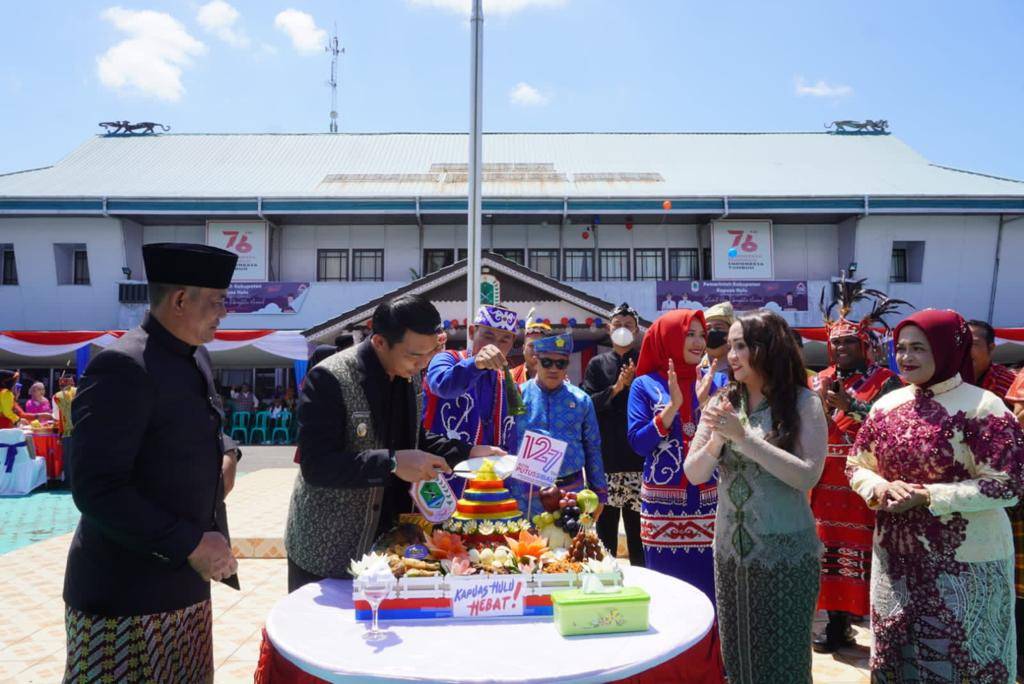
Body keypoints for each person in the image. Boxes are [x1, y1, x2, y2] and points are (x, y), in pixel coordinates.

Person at [63, 243, 241, 683]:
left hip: (186, 585)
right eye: (217, 301)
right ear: (181, 299)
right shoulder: (123, 368)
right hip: (126, 596)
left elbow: (206, 425)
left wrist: (229, 452)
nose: (224, 313)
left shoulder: (197, 356)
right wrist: (192, 544)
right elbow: (96, 488)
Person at [284, 295, 505, 593]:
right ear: (379, 343)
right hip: (329, 545)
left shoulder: (409, 374)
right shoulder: (329, 378)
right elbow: (317, 465)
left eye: (430, 354)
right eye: (415, 356)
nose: (423, 364)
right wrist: (392, 462)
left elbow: (416, 439)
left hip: (388, 543)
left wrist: (468, 451)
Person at [848, 309, 1023, 681]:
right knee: (898, 660)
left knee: (963, 664)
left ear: (946, 350)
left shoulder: (984, 407)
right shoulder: (886, 406)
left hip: (967, 565)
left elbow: (1007, 484)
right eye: (901, 348)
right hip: (894, 560)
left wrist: (929, 496)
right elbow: (856, 466)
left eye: (919, 349)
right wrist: (879, 486)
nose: (906, 358)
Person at [686, 310, 827, 683]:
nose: (730, 355)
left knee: (784, 662)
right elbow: (694, 472)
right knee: (737, 658)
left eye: (740, 346)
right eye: (730, 346)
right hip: (731, 554)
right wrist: (719, 436)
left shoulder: (803, 403)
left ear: (768, 349)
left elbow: (808, 475)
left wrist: (744, 439)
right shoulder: (722, 402)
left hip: (785, 554)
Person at [809, 280, 908, 653]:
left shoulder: (887, 382)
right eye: (835, 342)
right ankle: (836, 624)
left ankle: (868, 622)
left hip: (863, 482)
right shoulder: (818, 380)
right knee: (828, 554)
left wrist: (850, 407)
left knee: (862, 554)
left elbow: (894, 426)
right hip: (823, 482)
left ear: (865, 346)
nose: (840, 348)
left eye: (849, 342)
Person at [627, 309, 716, 597]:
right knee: (670, 593)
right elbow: (639, 444)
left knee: (713, 589)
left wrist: (705, 403)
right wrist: (672, 407)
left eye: (702, 334)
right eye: (689, 334)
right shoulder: (645, 385)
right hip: (663, 510)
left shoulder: (714, 382)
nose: (698, 341)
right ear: (669, 338)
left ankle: (714, 645)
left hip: (711, 505)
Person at [508, 331, 607, 515]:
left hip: (570, 495)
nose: (553, 369)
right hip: (525, 496)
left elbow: (593, 447)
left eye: (560, 363)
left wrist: (599, 493)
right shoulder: (518, 396)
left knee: (568, 543)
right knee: (525, 544)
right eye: (547, 362)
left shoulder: (581, 400)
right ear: (536, 360)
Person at [582, 303, 644, 566]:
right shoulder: (597, 364)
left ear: (637, 329)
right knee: (605, 534)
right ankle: (605, 582)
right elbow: (588, 404)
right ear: (609, 329)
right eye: (617, 325)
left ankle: (646, 583)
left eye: (628, 325)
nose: (622, 330)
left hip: (638, 462)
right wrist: (617, 388)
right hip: (606, 461)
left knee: (639, 534)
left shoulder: (646, 360)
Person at [422, 304, 520, 450]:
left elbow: (514, 433)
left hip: (491, 470)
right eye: (488, 336)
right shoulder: (446, 359)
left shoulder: (509, 382)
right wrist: (475, 364)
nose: (494, 346)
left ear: (512, 343)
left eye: (504, 340)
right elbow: (442, 386)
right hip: (444, 465)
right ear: (472, 332)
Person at [969, 319, 1017, 408]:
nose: (965, 349)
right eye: (962, 343)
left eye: (973, 344)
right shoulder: (947, 379)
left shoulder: (1009, 383)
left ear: (991, 347)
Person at [696, 301, 734, 408]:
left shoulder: (741, 366)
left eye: (718, 328)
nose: (712, 332)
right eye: (708, 329)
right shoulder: (695, 366)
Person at [510, 308, 550, 384]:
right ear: (523, 349)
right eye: (531, 345)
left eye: (540, 345)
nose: (536, 350)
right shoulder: (510, 376)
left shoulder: (556, 377)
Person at [52, 373, 77, 459]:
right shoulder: (80, 391)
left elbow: (56, 417)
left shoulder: (57, 396)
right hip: (81, 431)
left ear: (61, 384)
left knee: (68, 461)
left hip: (67, 433)